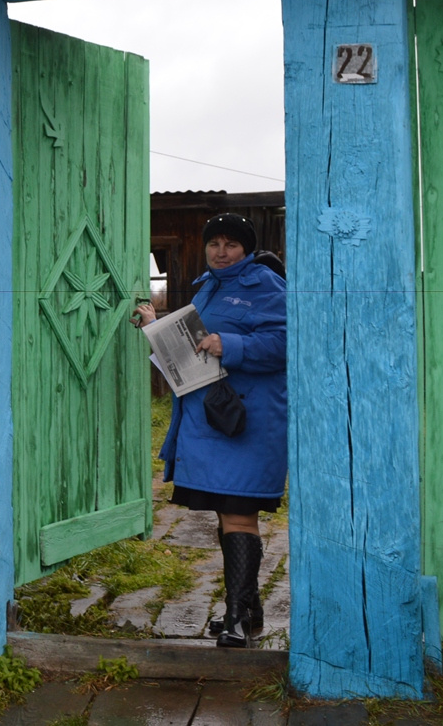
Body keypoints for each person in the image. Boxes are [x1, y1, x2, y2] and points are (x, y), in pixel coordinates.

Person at [132, 213, 287, 647]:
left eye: (231, 245)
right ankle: (248, 610)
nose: (221, 252)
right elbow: (190, 350)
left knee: (240, 511)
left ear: (247, 249)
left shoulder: (267, 286)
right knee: (227, 512)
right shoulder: (208, 288)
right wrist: (155, 326)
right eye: (214, 244)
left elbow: (288, 344)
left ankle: (237, 618)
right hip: (210, 419)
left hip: (247, 421)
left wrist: (229, 345)